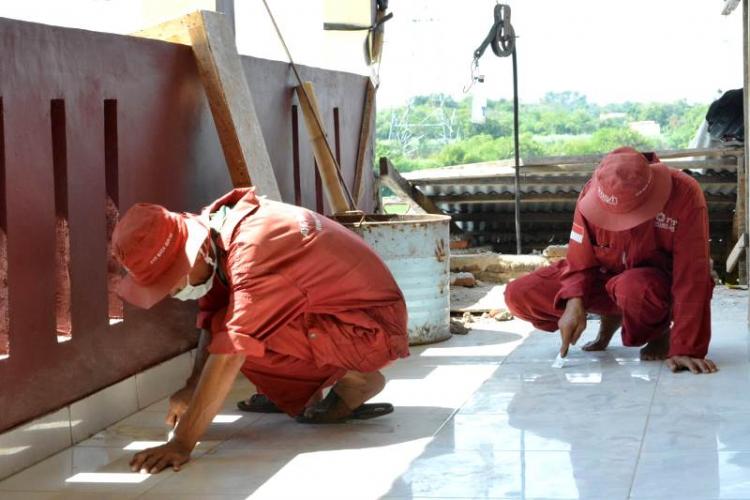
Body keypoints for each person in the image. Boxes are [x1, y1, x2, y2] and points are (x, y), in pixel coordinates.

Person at [112, 188, 409, 474]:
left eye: (174, 281)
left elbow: (230, 352)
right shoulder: (219, 230)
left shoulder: (252, 251)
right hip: (341, 317)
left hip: (371, 331)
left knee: (237, 338)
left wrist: (181, 443)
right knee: (226, 324)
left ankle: (356, 378)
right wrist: (193, 387)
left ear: (198, 252)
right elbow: (213, 316)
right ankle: (307, 390)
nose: (176, 292)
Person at [504, 147, 718, 375]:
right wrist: (573, 302)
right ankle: (613, 316)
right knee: (519, 294)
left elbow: (692, 275)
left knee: (634, 288)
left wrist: (687, 347)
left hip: (650, 290)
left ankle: (658, 332)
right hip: (604, 281)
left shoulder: (684, 193)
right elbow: (578, 260)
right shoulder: (591, 192)